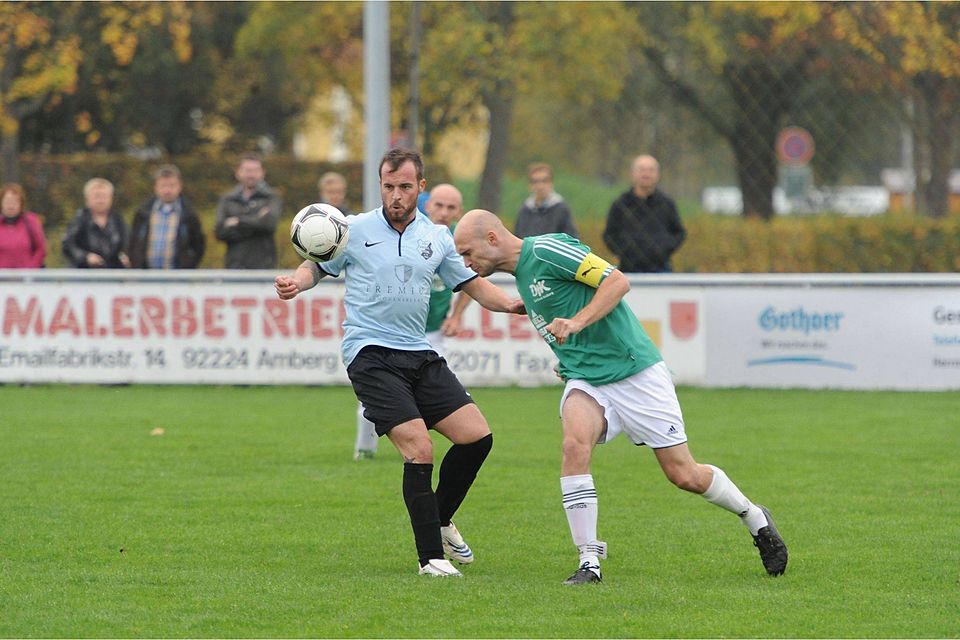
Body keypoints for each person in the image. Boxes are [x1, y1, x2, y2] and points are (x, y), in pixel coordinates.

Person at [453, 209, 788, 585]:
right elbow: (506, 302)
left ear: (493, 239)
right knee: (573, 446)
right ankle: (589, 563)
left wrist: (577, 322)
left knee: (684, 474)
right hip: (587, 380)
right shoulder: (521, 277)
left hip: (635, 373)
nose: (467, 261)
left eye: (468, 252)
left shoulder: (548, 251)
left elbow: (616, 282)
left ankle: (753, 516)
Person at [274, 148, 524, 578]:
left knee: (477, 438)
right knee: (419, 448)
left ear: (420, 188)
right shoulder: (352, 229)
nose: (396, 195)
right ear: (381, 186)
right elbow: (316, 266)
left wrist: (515, 305)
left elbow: (475, 286)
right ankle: (431, 559)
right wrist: (295, 282)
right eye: (389, 187)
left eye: (405, 187)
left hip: (419, 352)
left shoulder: (438, 237)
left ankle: (440, 519)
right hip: (370, 353)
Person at [352, 182, 471, 461]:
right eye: (439, 205)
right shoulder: (409, 233)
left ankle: (441, 442)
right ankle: (364, 449)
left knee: (447, 392)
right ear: (426, 204)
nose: (443, 211)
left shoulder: (455, 241)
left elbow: (471, 282)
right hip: (389, 334)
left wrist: (456, 316)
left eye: (451, 207)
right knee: (374, 399)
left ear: (459, 211)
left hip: (431, 333)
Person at [603, 154, 686, 273]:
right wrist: (625, 252)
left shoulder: (667, 204)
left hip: (661, 269)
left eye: (651, 170)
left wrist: (663, 250)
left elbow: (679, 233)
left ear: (658, 175)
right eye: (642, 169)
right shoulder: (620, 204)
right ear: (632, 174)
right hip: (627, 270)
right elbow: (610, 234)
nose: (646, 174)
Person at [127, 164, 206, 269]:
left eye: (172, 185)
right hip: (146, 277)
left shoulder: (189, 215)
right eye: (163, 186)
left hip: (178, 278)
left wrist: (188, 265)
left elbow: (198, 246)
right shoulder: (143, 213)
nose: (167, 190)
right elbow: (133, 242)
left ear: (180, 186)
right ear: (156, 187)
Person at [215, 153, 282, 269]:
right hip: (234, 266)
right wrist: (257, 220)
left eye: (255, 170)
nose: (251, 175)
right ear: (237, 172)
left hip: (264, 267)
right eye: (247, 170)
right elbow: (220, 232)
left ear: (263, 173)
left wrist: (237, 221)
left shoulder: (272, 197)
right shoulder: (228, 198)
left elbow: (269, 225)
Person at [62, 178, 130, 269]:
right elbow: (68, 245)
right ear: (87, 199)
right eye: (97, 196)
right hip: (84, 274)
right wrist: (85, 257)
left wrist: (126, 256)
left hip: (113, 274)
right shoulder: (79, 219)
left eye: (104, 196)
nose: (101, 200)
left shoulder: (118, 220)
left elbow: (127, 244)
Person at [514, 162, 578, 239]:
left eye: (545, 181)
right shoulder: (524, 210)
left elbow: (571, 240)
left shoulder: (561, 209)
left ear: (551, 183)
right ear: (529, 185)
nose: (540, 186)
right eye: (535, 182)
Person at [0, 183, 46, 268]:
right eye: (7, 202)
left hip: (26, 279)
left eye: (14, 202)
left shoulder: (31, 222)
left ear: (21, 204)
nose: (10, 206)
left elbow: (41, 249)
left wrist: (31, 269)